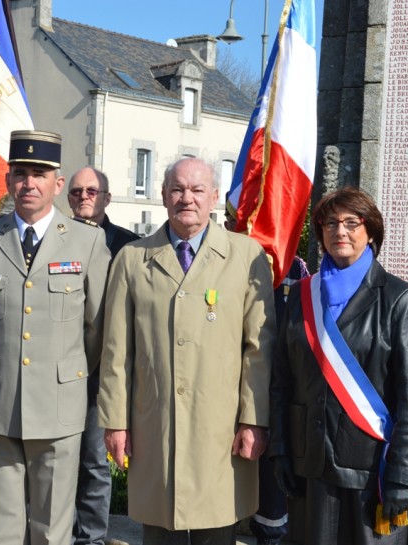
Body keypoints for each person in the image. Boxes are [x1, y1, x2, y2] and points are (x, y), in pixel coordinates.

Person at [98, 157, 276, 544]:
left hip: (221, 428)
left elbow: (258, 349)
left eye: (197, 190)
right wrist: (115, 421)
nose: (187, 199)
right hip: (154, 425)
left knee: (217, 527)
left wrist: (254, 419)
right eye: (177, 189)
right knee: (161, 529)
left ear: (214, 196)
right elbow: (116, 351)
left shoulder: (246, 256)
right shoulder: (132, 260)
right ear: (163, 195)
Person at [0, 130, 111, 545]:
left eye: (40, 174)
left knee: (52, 529)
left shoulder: (88, 240)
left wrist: (69, 372)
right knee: (0, 529)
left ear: (57, 184)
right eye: (21, 174)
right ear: (8, 182)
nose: (30, 183)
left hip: (59, 405)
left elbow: (97, 327)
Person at [269, 187, 408, 545]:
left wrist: (402, 476)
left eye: (352, 223)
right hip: (310, 464)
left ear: (370, 232)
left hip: (371, 472)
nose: (340, 231)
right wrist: (280, 451)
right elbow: (281, 382)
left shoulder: (400, 299)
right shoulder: (303, 296)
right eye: (330, 223)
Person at [223, 207, 308, 545]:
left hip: (272, 390)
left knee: (271, 484)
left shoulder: (292, 269)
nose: (240, 226)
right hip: (222, 387)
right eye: (234, 220)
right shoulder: (218, 263)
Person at [67, 167, 139, 545]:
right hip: (59, 369)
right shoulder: (55, 240)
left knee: (95, 461)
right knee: (58, 460)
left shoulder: (130, 246)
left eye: (92, 191)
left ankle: (91, 537)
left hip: (105, 373)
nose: (84, 197)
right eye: (77, 191)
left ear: (107, 198)